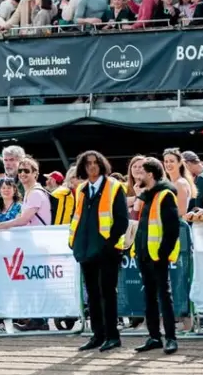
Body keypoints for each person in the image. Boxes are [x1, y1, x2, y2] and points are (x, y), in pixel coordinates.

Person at [71, 150, 128, 352]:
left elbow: (122, 220)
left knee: (107, 294)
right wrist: (74, 242)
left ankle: (113, 336)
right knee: (93, 295)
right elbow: (75, 218)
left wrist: (109, 243)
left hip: (107, 251)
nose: (92, 167)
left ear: (102, 164)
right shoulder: (81, 189)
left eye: (95, 163)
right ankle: (98, 335)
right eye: (87, 164)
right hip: (86, 250)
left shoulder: (114, 187)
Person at [132, 158, 179, 355]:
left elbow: (172, 229)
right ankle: (154, 336)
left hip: (156, 255)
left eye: (141, 172)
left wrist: (162, 253)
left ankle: (170, 338)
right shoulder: (146, 195)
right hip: (144, 253)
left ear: (150, 174)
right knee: (149, 297)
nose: (137, 176)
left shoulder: (165, 195)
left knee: (163, 296)